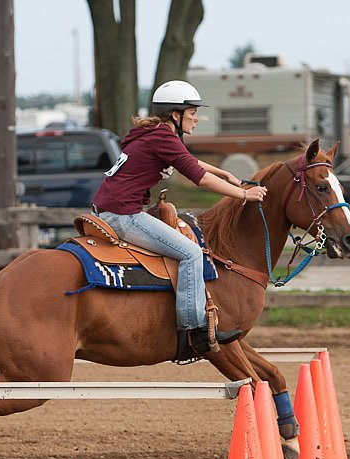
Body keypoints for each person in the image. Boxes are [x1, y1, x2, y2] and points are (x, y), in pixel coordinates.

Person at [91, 80, 268, 359]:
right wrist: (244, 195)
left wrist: (225, 174)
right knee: (191, 253)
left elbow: (188, 161)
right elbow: (199, 179)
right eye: (192, 112)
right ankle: (193, 328)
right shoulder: (163, 138)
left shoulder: (153, 134)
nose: (197, 118)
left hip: (109, 211)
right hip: (123, 216)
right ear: (176, 114)